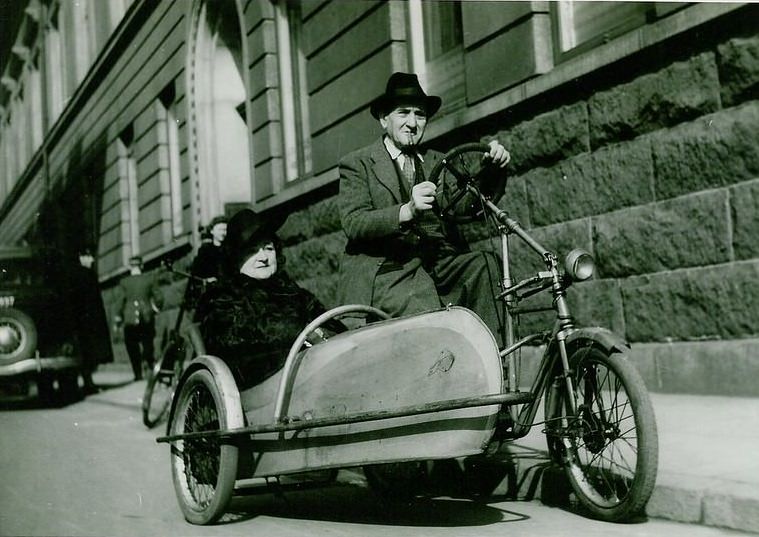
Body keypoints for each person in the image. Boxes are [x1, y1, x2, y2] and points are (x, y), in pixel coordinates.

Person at [337, 72, 511, 342]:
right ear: (384, 119)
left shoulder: (436, 161)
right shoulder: (358, 163)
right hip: (386, 270)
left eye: (419, 114)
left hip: (436, 261)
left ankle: (493, 363)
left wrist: (490, 169)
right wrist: (405, 211)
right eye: (403, 113)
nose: (412, 123)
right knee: (421, 298)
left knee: (485, 265)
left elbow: (463, 207)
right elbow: (354, 222)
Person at [195, 209, 341, 389]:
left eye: (268, 248)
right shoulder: (221, 299)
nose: (263, 257)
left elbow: (327, 320)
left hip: (314, 377)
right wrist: (301, 336)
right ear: (236, 258)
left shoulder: (290, 290)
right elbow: (236, 348)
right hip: (263, 391)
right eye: (252, 250)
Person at [68, 248, 114, 393]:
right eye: (88, 257)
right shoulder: (86, 274)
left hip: (79, 321)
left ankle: (81, 384)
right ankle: (88, 383)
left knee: (83, 353)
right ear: (81, 257)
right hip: (87, 323)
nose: (92, 260)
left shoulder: (74, 275)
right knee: (88, 353)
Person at [114, 256, 163, 381]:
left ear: (130, 267)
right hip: (146, 316)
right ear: (142, 266)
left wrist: (118, 317)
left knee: (132, 346)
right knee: (148, 343)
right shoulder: (149, 279)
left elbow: (120, 302)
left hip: (130, 319)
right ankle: (149, 367)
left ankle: (137, 373)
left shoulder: (124, 282)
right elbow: (159, 297)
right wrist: (154, 310)